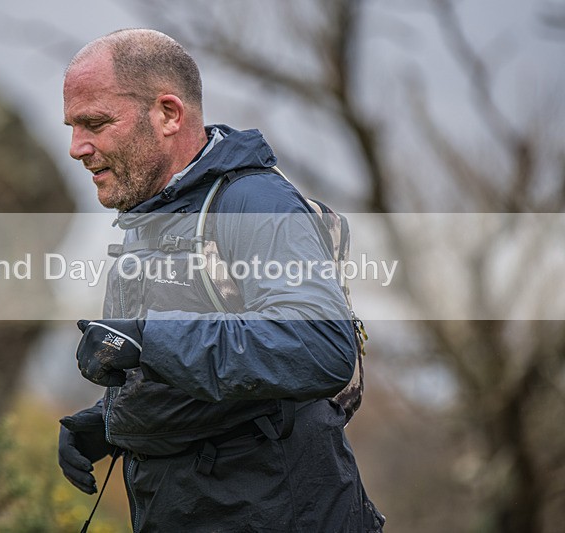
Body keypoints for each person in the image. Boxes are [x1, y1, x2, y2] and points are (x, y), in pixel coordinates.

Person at [58, 28, 385, 532]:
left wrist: (147, 341)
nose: (78, 147)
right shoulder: (157, 211)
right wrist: (110, 422)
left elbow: (321, 344)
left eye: (96, 123)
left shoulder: (254, 203)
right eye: (73, 127)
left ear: (168, 114)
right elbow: (203, 359)